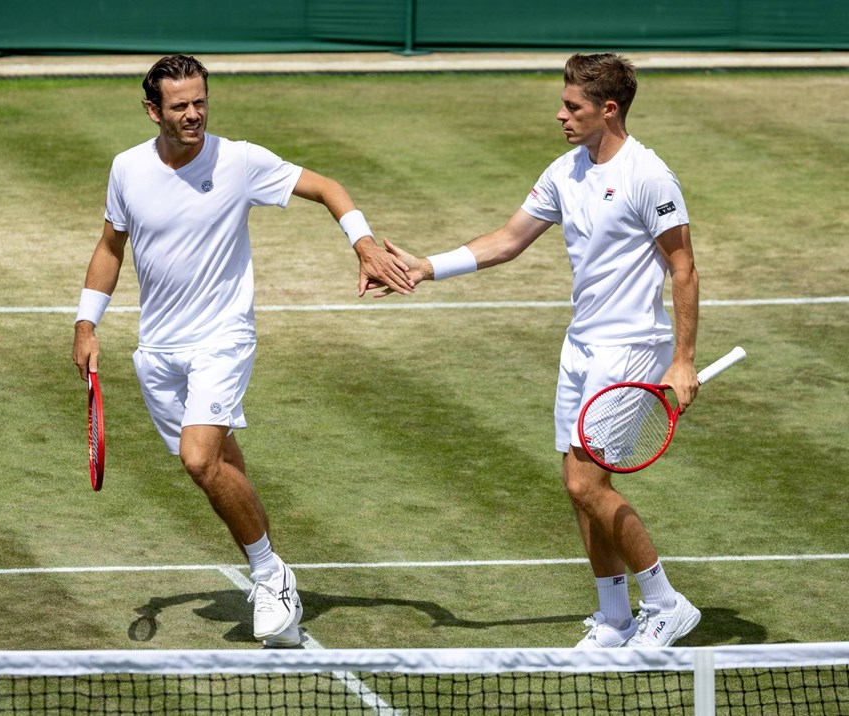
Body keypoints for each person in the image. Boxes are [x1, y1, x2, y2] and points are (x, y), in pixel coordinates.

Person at [71, 54, 414, 648]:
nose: (193, 114)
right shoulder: (127, 169)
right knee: (220, 469)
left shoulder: (239, 161)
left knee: (200, 459)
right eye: (179, 105)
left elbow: (327, 187)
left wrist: (362, 243)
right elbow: (110, 246)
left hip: (222, 338)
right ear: (153, 110)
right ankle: (270, 566)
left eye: (200, 101)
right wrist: (85, 323)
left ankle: (270, 575)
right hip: (158, 348)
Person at [378, 53, 702, 648]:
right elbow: (507, 240)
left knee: (586, 484)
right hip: (581, 344)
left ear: (608, 110)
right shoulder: (564, 172)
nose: (561, 115)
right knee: (579, 487)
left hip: (629, 347)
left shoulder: (649, 176)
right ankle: (613, 617)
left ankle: (665, 601)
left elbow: (682, 267)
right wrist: (426, 268)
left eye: (573, 107)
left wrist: (682, 359)